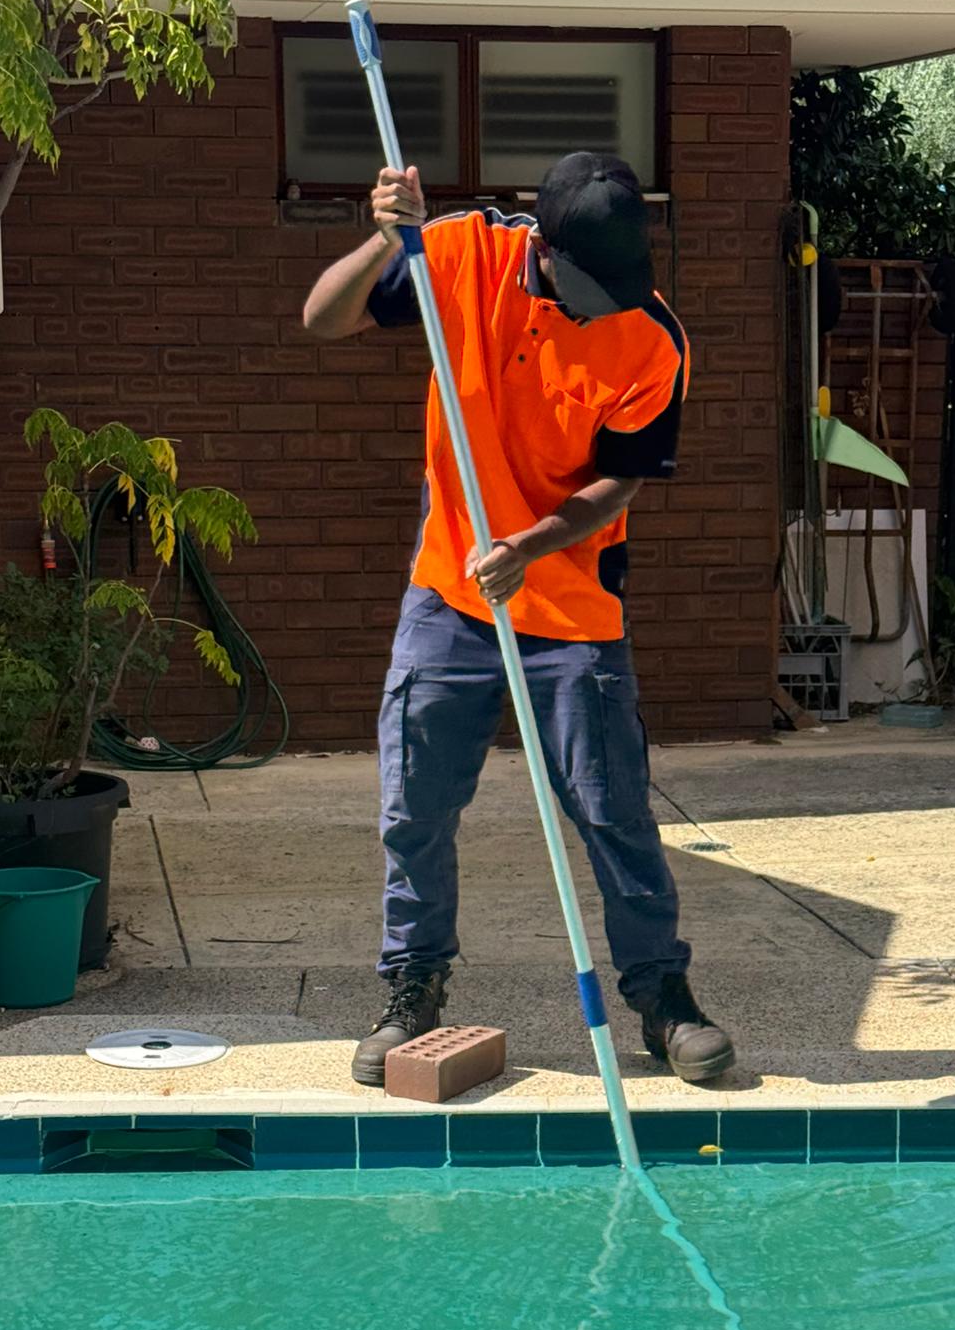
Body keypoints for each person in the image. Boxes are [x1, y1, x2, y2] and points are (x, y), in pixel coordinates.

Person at [302, 151, 734, 1086]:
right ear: (538, 247)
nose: (593, 309)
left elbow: (621, 480)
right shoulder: (461, 255)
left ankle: (663, 1003)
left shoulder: (652, 340)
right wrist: (384, 242)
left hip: (572, 605)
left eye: (608, 292)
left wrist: (534, 544)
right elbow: (323, 319)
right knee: (414, 806)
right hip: (450, 590)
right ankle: (412, 989)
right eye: (579, 287)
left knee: (613, 811)